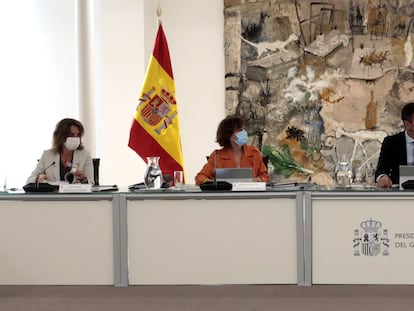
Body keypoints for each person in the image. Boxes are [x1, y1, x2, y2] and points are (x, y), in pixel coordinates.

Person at [195, 115, 269, 185]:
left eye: (243, 129)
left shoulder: (254, 152)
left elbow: (265, 177)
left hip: (250, 196)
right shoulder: (217, 156)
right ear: (229, 135)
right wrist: (214, 183)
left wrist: (258, 180)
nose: (244, 133)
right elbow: (200, 178)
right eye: (240, 130)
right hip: (225, 196)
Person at [26, 118, 94, 184]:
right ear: (61, 136)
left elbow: (91, 182)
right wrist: (38, 178)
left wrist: (84, 180)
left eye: (78, 135)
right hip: (53, 195)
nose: (76, 138)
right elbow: (29, 180)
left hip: (75, 195)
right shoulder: (47, 155)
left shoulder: (85, 155)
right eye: (71, 135)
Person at [375, 102, 414, 188]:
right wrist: (383, 177)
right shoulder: (391, 142)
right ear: (407, 124)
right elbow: (381, 169)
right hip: (399, 194)